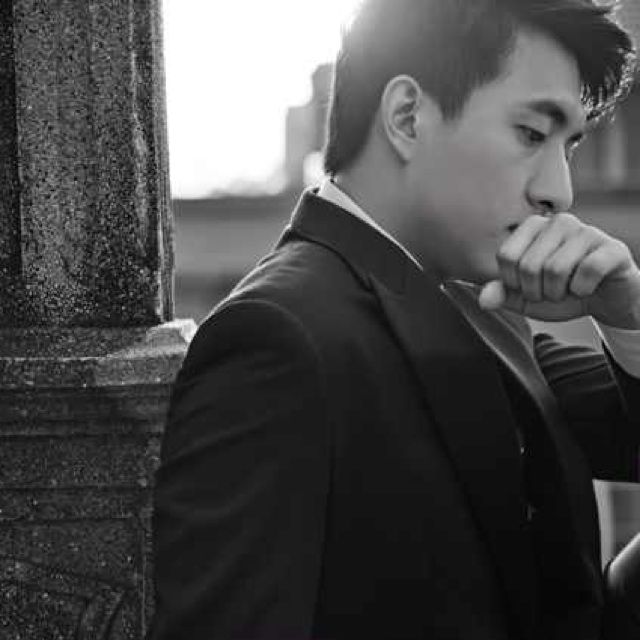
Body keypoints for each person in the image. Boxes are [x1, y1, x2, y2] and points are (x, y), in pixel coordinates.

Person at [149, 1, 640, 638]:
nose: (559, 191)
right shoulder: (275, 338)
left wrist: (629, 316)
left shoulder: (483, 310)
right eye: (531, 134)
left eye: (569, 145)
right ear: (408, 116)